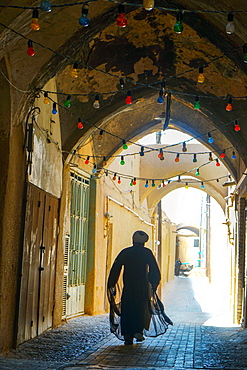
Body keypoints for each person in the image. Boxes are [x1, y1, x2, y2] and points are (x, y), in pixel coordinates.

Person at [107, 230, 172, 345]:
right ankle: (138, 331)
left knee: (127, 309)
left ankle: (128, 335)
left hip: (129, 286)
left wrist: (112, 283)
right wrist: (153, 283)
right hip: (142, 287)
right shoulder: (147, 253)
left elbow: (116, 268)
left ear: (133, 240)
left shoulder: (126, 252)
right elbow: (154, 270)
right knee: (141, 309)